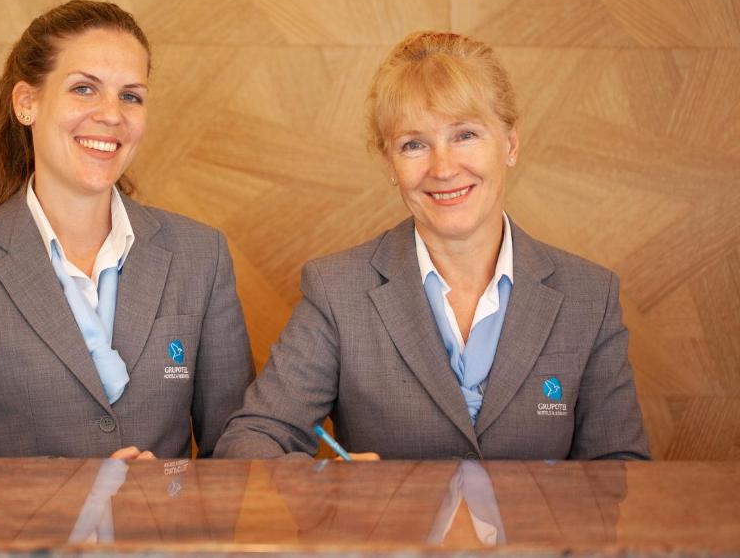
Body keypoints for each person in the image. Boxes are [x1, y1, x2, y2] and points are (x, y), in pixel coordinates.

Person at [215, 31, 649, 461]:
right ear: (389, 163)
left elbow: (621, 470)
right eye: (414, 145)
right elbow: (250, 439)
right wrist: (324, 485)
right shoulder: (337, 290)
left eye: (465, 135)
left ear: (511, 144)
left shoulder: (590, 297)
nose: (443, 168)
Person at [0, 0, 253, 459]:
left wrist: (165, 487)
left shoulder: (201, 256)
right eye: (84, 89)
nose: (112, 115)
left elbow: (237, 457)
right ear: (27, 103)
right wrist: (74, 491)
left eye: (131, 96)